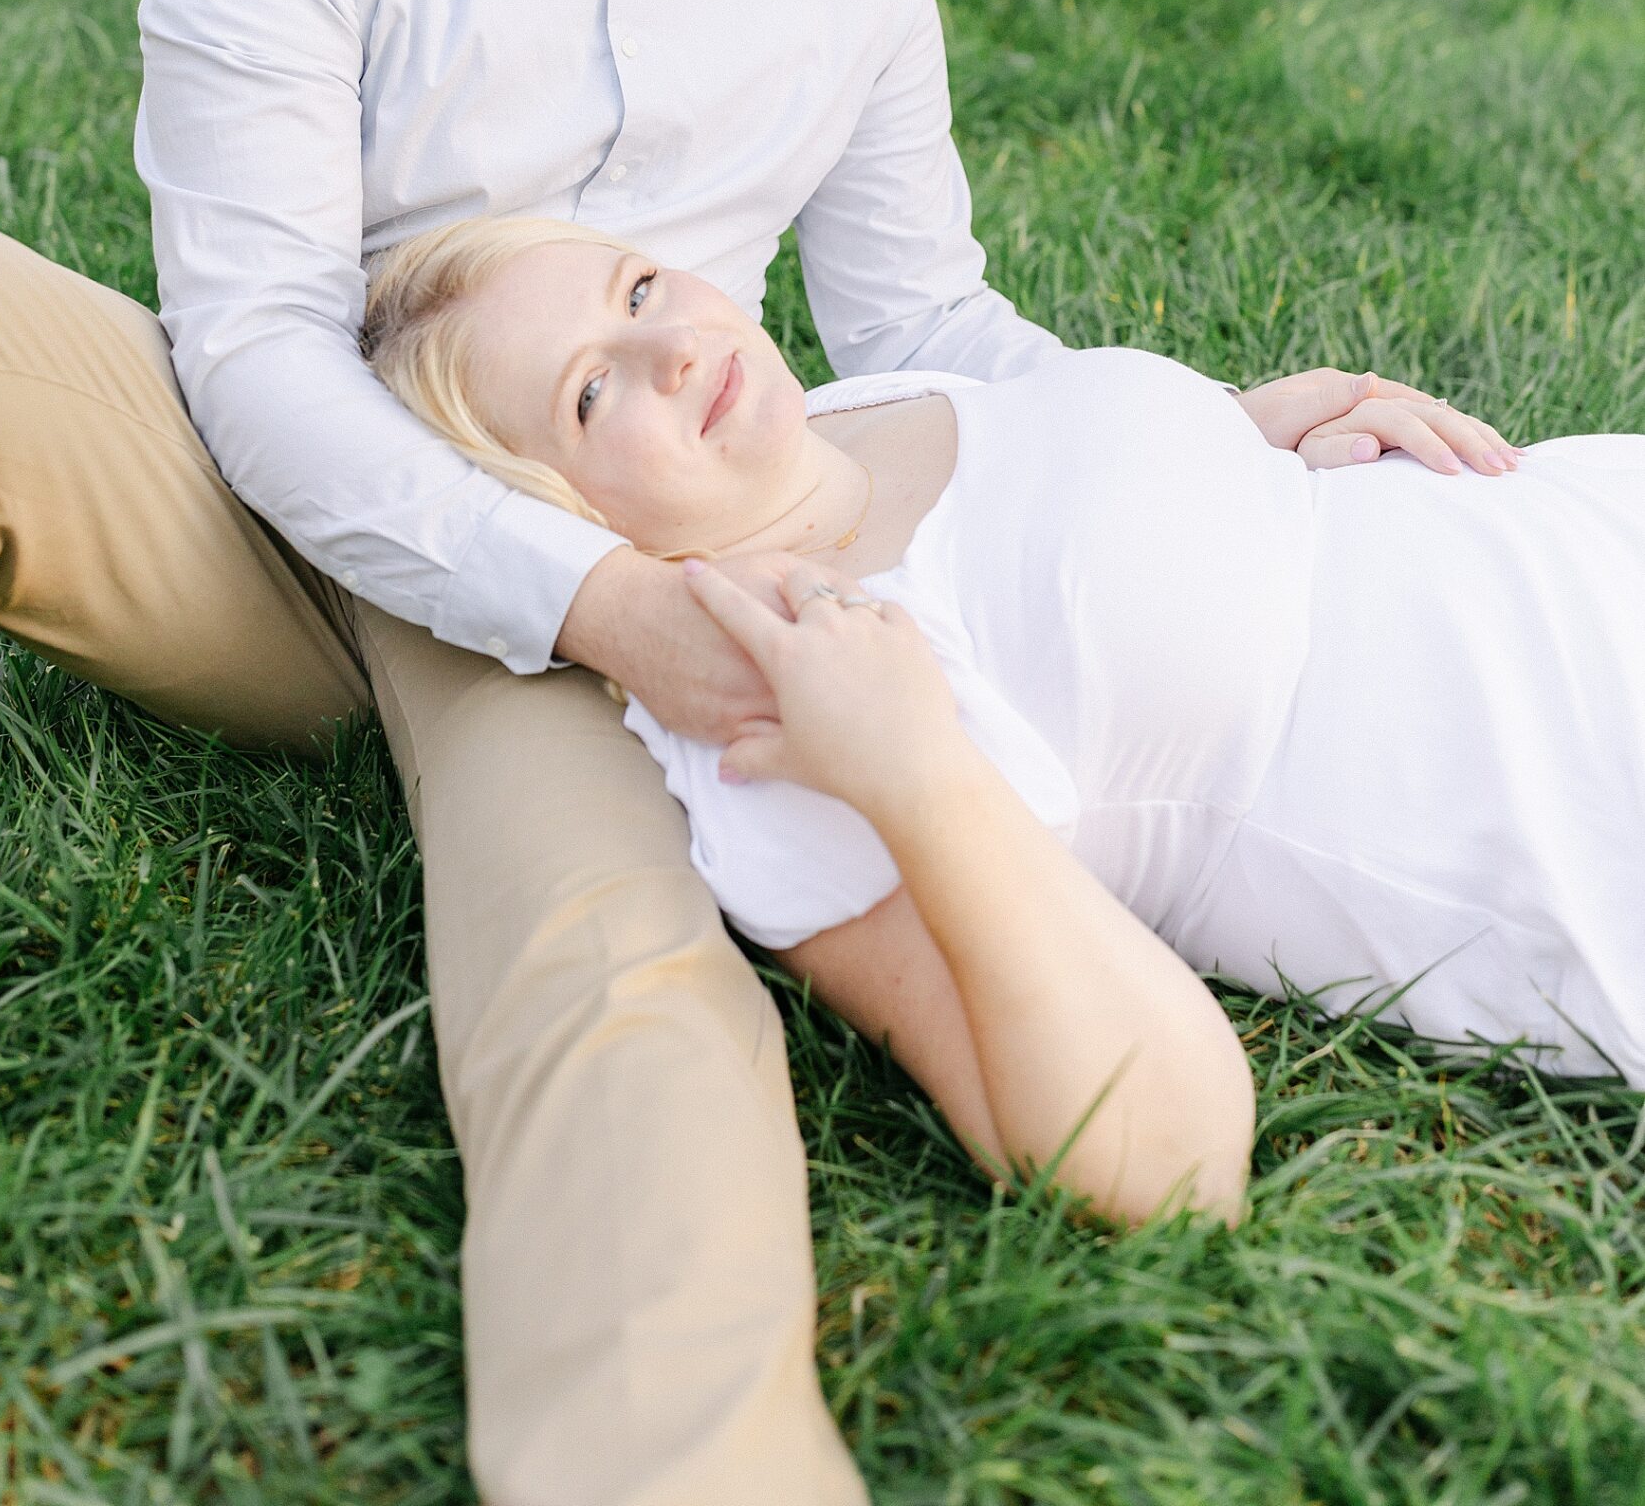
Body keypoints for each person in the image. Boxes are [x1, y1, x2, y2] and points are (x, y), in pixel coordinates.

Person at [0, 0, 1493, 1505]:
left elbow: (923, 323)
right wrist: (581, 594)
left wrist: (1198, 419)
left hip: (664, 528)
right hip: (276, 509)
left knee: (613, 986)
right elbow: (260, 350)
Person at [362, 209, 1645, 1227]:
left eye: (637, 289)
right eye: (591, 393)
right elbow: (1165, 1162)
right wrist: (917, 774)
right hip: (1571, 786)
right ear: (549, 529)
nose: (674, 348)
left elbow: (1065, 549)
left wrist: (1228, 445)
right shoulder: (782, 705)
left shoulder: (856, 411)